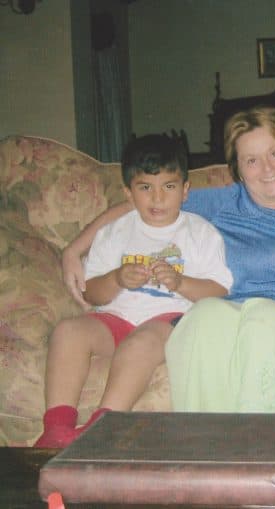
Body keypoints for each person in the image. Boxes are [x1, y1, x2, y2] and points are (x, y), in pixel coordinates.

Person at [61, 107, 275, 427]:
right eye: (251, 160)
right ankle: (208, 447)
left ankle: (274, 448)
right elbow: (138, 206)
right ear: (238, 170)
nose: (267, 169)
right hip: (231, 323)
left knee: (262, 316)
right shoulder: (226, 202)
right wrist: (74, 250)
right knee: (201, 316)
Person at [35, 134, 233, 448]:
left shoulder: (200, 233)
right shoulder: (115, 231)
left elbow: (219, 290)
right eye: (145, 188)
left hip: (169, 324)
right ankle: (56, 429)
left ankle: (104, 425)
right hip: (117, 319)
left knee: (140, 342)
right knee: (68, 331)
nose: (157, 198)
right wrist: (116, 279)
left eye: (168, 187)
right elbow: (92, 295)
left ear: (185, 191)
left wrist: (180, 282)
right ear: (128, 193)